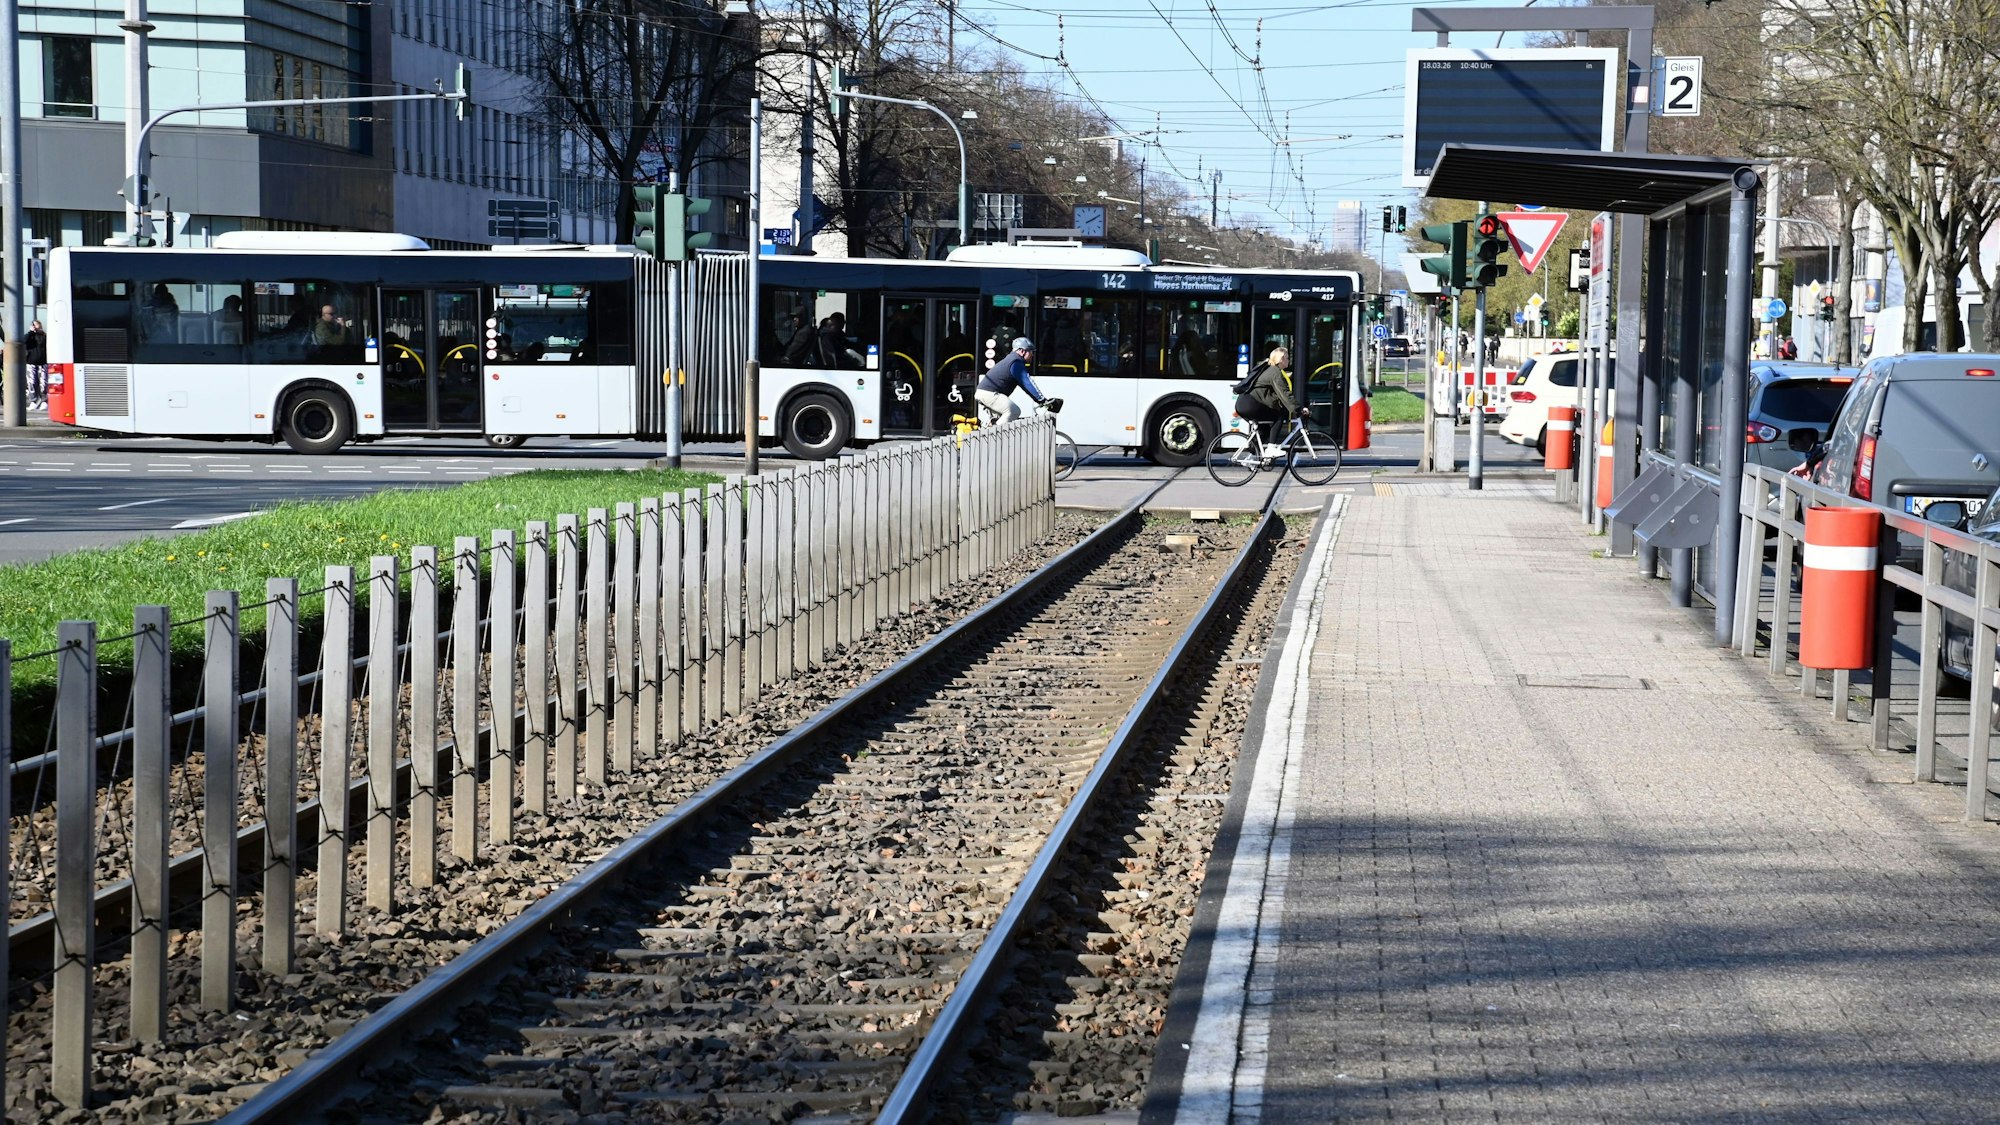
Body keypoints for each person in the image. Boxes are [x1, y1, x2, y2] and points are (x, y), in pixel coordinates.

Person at [1235, 345, 1300, 452]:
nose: (1289, 360)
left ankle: (1253, 455)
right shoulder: (1275, 372)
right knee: (1279, 414)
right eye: (1287, 358)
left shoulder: (1268, 368)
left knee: (1265, 428)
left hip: (1243, 404)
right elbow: (1284, 394)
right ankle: (1271, 449)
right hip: (1251, 404)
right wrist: (1298, 408)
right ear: (1281, 359)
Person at [975, 337, 1049, 424]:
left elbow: (1025, 386)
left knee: (1001, 419)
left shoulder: (1012, 359)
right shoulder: (1016, 362)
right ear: (1022, 351)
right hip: (990, 393)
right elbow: (1028, 383)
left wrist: (1038, 399)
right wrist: (1042, 400)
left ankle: (990, 433)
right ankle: (996, 435)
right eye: (1030, 351)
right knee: (1014, 411)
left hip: (986, 392)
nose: (1032, 354)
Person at [23, 319, 46, 408]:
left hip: (43, 362)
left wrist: (39, 332)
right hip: (31, 362)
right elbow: (24, 340)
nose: (37, 327)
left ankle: (44, 400)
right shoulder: (30, 336)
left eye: (38, 325)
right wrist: (31, 332)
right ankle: (34, 400)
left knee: (43, 382)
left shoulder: (44, 336)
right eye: (35, 325)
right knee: (32, 382)